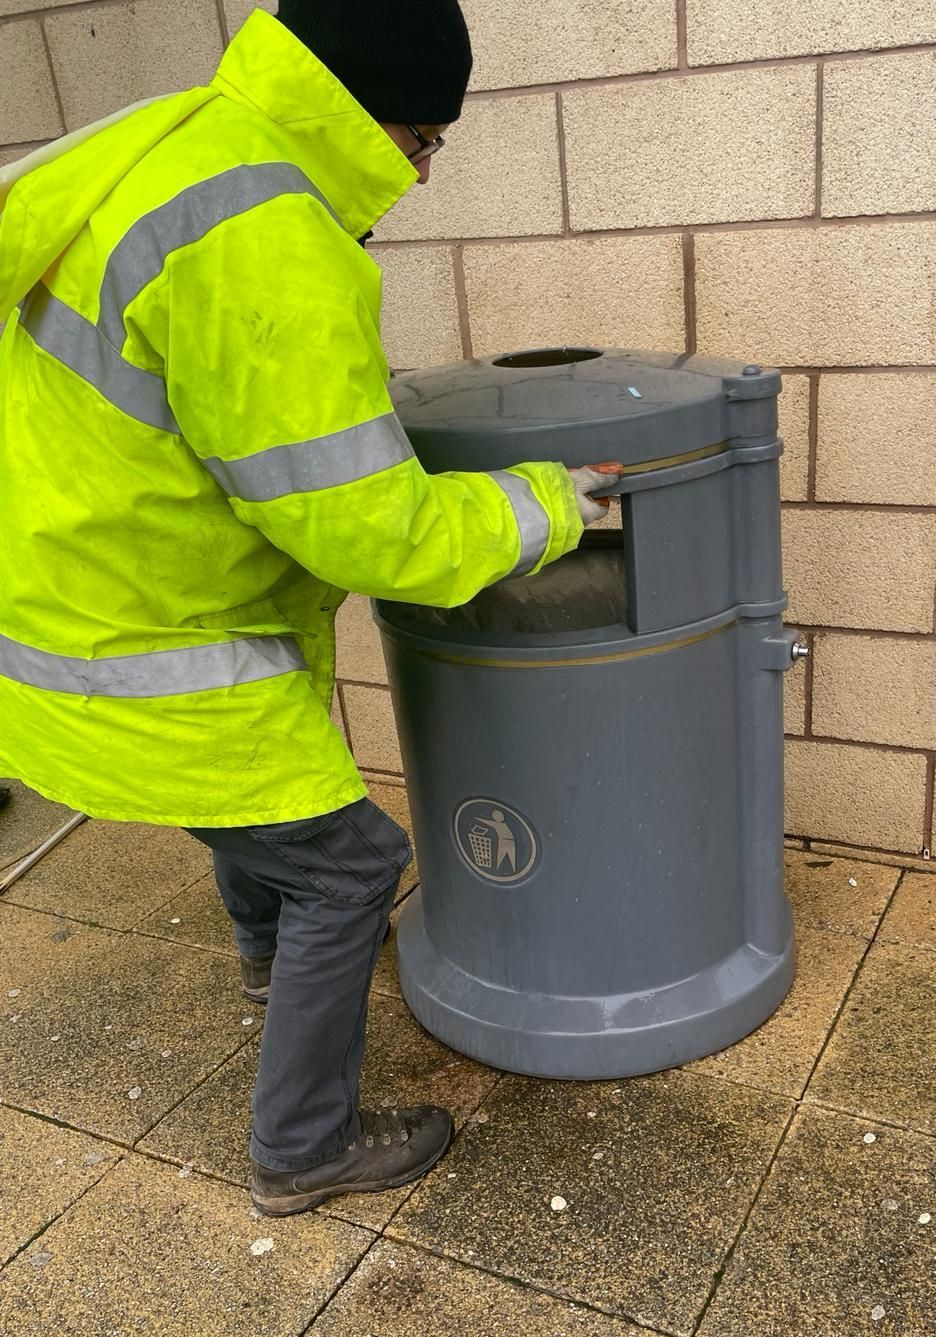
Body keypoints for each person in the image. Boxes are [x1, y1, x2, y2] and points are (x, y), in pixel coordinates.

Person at [0, 0, 620, 1217]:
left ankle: (262, 968)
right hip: (154, 642)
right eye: (425, 140)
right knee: (349, 862)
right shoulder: (267, 236)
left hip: (63, 608)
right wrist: (550, 506)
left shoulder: (168, 139)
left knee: (252, 811)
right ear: (365, 112)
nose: (423, 172)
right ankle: (303, 1144)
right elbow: (366, 529)